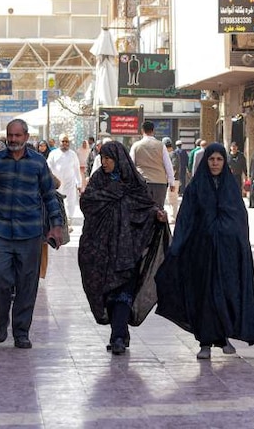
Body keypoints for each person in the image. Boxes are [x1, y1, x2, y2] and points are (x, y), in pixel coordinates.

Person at [154, 143, 254, 360]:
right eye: (211, 159)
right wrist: (178, 247)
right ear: (206, 161)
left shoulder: (230, 187)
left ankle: (223, 337)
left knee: (224, 293)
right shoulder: (196, 187)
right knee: (204, 295)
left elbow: (239, 220)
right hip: (201, 252)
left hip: (226, 254)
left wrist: (231, 238)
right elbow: (186, 218)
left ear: (224, 162)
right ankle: (205, 342)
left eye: (219, 160)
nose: (215, 163)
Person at [0, 119, 65, 349]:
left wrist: (56, 225)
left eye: (17, 136)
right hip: (1, 231)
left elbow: (49, 195)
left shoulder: (37, 163)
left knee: (27, 283)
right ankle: (1, 320)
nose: (13, 140)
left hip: (30, 233)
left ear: (26, 137)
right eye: (10, 135)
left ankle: (21, 331)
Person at [79, 141, 169, 356]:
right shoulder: (99, 180)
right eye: (103, 158)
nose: (105, 162)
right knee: (108, 290)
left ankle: (117, 336)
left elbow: (145, 205)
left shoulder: (134, 182)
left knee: (123, 291)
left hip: (128, 248)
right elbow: (87, 202)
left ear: (119, 159)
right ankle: (120, 330)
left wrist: (156, 214)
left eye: (109, 158)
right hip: (101, 247)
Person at [129, 121, 176, 209]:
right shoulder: (161, 146)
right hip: (160, 183)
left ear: (142, 130)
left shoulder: (136, 146)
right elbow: (168, 165)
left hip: (142, 182)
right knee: (158, 210)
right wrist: (171, 182)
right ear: (153, 130)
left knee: (142, 210)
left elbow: (131, 166)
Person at [47, 134, 83, 222]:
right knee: (57, 201)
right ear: (59, 142)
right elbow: (48, 167)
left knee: (70, 202)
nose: (65, 143)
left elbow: (76, 169)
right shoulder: (53, 154)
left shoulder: (73, 154)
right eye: (63, 141)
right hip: (57, 183)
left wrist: (79, 183)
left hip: (69, 182)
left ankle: (69, 220)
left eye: (67, 141)